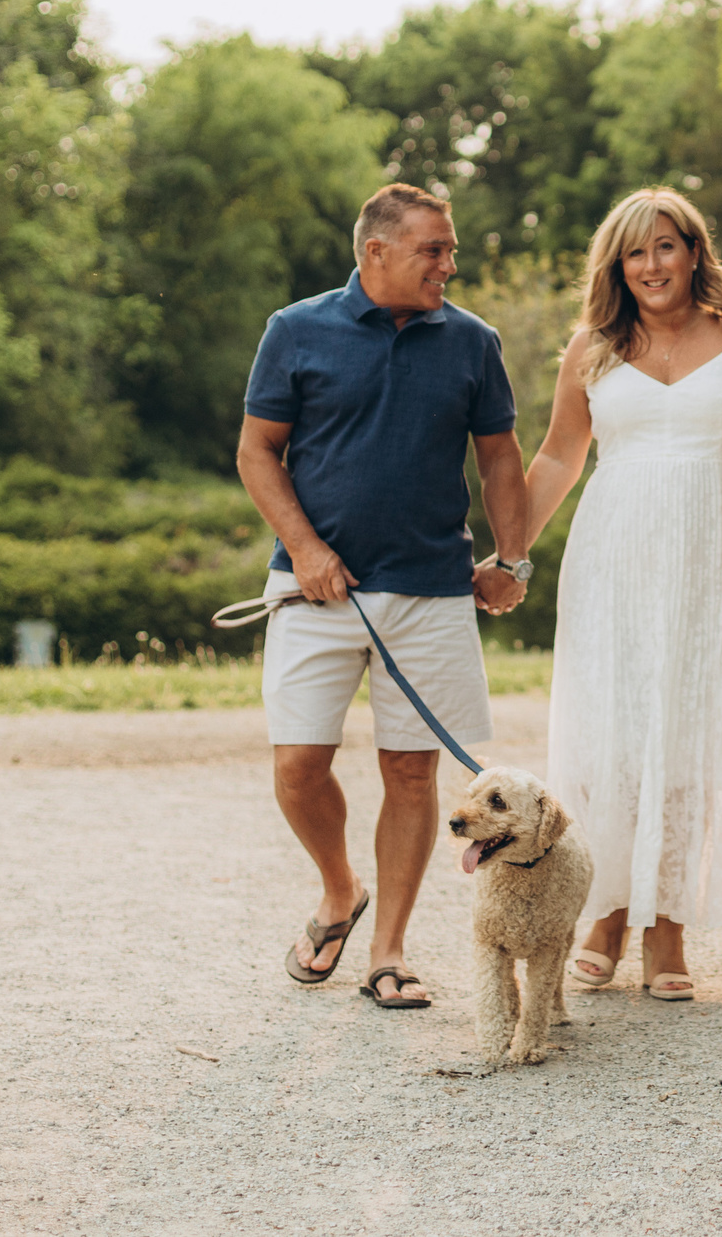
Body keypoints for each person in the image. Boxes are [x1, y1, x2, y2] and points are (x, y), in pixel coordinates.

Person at [237, 182, 535, 1010]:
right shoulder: (295, 330)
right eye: (432, 249)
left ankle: (390, 952)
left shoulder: (473, 341)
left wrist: (516, 559)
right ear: (376, 252)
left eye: (450, 249)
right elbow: (258, 451)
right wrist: (304, 547)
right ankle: (340, 888)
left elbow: (501, 459)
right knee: (298, 765)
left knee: (412, 774)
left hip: (433, 593)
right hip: (313, 590)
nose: (449, 263)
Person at [525, 188, 722, 1001]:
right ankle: (605, 910)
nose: (652, 265)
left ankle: (667, 924)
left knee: (688, 738)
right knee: (611, 736)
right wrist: (510, 553)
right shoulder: (592, 348)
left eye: (667, 246)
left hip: (713, 553)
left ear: (694, 251)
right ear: (619, 264)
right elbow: (556, 458)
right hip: (615, 556)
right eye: (635, 252)